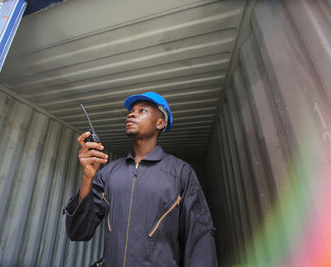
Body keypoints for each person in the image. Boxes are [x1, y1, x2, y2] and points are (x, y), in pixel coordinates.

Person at [63, 92, 218, 266]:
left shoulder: (181, 172)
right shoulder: (109, 173)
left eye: (142, 110)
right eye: (131, 111)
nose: (131, 114)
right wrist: (87, 177)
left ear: (161, 123)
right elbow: (78, 232)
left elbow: (200, 238)